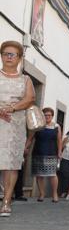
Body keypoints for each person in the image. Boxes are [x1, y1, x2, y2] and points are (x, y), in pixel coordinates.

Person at [0, 41, 35, 216]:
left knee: (11, 164)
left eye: (12, 54)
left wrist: (12, 108)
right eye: (5, 53)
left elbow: (30, 99)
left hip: (15, 124)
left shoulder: (25, 79)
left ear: (20, 58)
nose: (8, 57)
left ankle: (6, 200)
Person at [25, 107, 62, 202]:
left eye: (49, 115)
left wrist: (59, 152)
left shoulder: (56, 126)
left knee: (53, 174)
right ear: (42, 116)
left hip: (51, 153)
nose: (47, 117)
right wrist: (26, 148)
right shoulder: (37, 125)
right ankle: (42, 194)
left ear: (52, 116)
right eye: (45, 115)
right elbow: (30, 138)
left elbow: (59, 141)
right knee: (39, 175)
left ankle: (54, 194)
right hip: (38, 152)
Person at [58, 126, 69, 198]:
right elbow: (61, 147)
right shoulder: (66, 138)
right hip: (65, 158)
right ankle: (63, 191)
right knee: (64, 175)